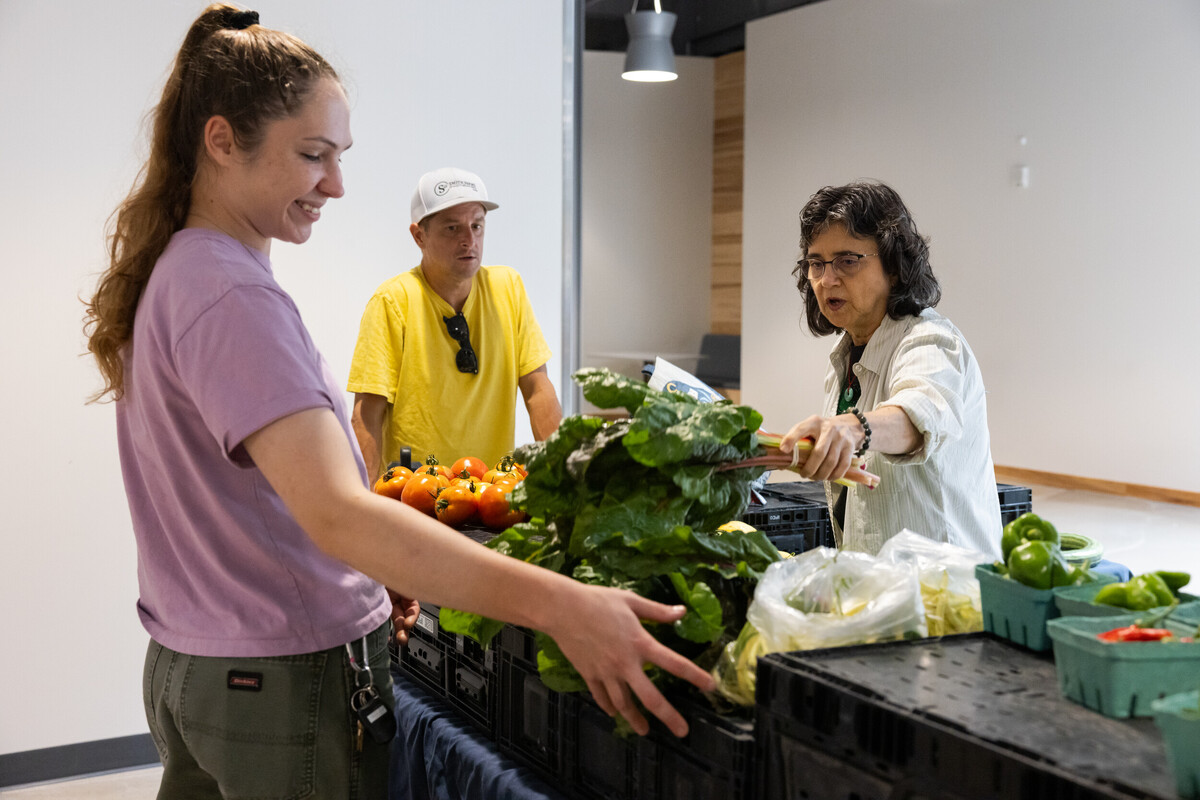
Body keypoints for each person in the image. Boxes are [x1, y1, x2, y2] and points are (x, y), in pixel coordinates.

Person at [82, 6, 713, 797]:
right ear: (221, 141)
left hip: (202, 663)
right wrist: (564, 606)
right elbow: (339, 513)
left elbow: (274, 506)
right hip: (275, 679)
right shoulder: (233, 295)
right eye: (313, 155)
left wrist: (369, 565)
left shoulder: (180, 271)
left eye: (339, 157)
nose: (336, 184)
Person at [778, 181, 1002, 558]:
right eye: (816, 263)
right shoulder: (844, 356)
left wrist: (853, 429)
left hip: (947, 582)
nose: (826, 280)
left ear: (894, 268)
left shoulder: (930, 340)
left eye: (847, 261)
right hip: (884, 581)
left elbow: (917, 416)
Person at [348, 167, 562, 479]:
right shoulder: (393, 301)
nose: (469, 240)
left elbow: (538, 389)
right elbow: (367, 414)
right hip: (415, 493)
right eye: (452, 228)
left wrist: (563, 476)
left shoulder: (508, 288)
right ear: (419, 236)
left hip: (492, 492)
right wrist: (362, 498)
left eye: (477, 225)